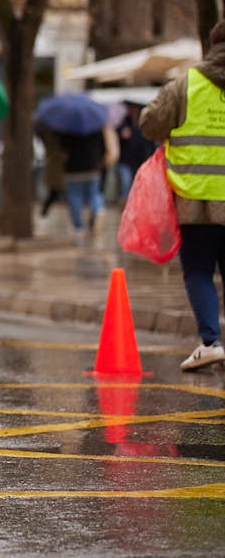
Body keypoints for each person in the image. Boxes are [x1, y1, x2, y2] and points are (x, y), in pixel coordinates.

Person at [139, 20, 225, 372]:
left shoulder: (187, 84)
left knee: (199, 269)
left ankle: (211, 343)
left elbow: (150, 124)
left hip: (195, 199)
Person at [58, 123, 117, 233]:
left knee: (75, 197)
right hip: (92, 167)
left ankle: (78, 226)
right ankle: (99, 209)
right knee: (94, 194)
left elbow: (62, 146)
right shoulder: (96, 127)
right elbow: (103, 146)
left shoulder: (68, 127)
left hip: (73, 169)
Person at [116, 102, 154, 202]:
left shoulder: (144, 124)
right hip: (125, 159)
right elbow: (117, 137)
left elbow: (150, 142)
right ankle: (124, 203)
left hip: (140, 160)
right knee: (125, 182)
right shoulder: (124, 123)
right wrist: (121, 135)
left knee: (136, 184)